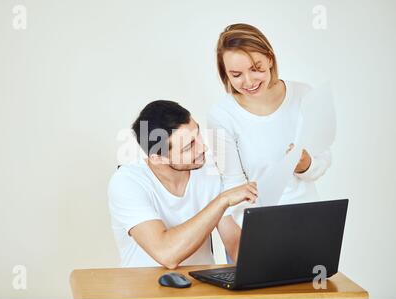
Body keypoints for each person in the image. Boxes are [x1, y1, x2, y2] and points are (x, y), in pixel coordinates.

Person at [108, 100, 258, 268]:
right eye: (189, 147)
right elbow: (166, 254)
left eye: (198, 134)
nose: (203, 148)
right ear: (158, 159)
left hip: (202, 288)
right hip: (146, 289)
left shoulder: (209, 170)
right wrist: (222, 201)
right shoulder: (127, 182)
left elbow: (234, 242)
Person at [208, 23, 331, 226]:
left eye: (256, 69)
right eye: (236, 75)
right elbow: (233, 186)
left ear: (270, 59)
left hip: (310, 218)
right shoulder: (220, 115)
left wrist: (306, 164)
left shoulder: (304, 95)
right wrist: (255, 232)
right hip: (259, 225)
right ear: (226, 75)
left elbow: (323, 158)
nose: (248, 81)